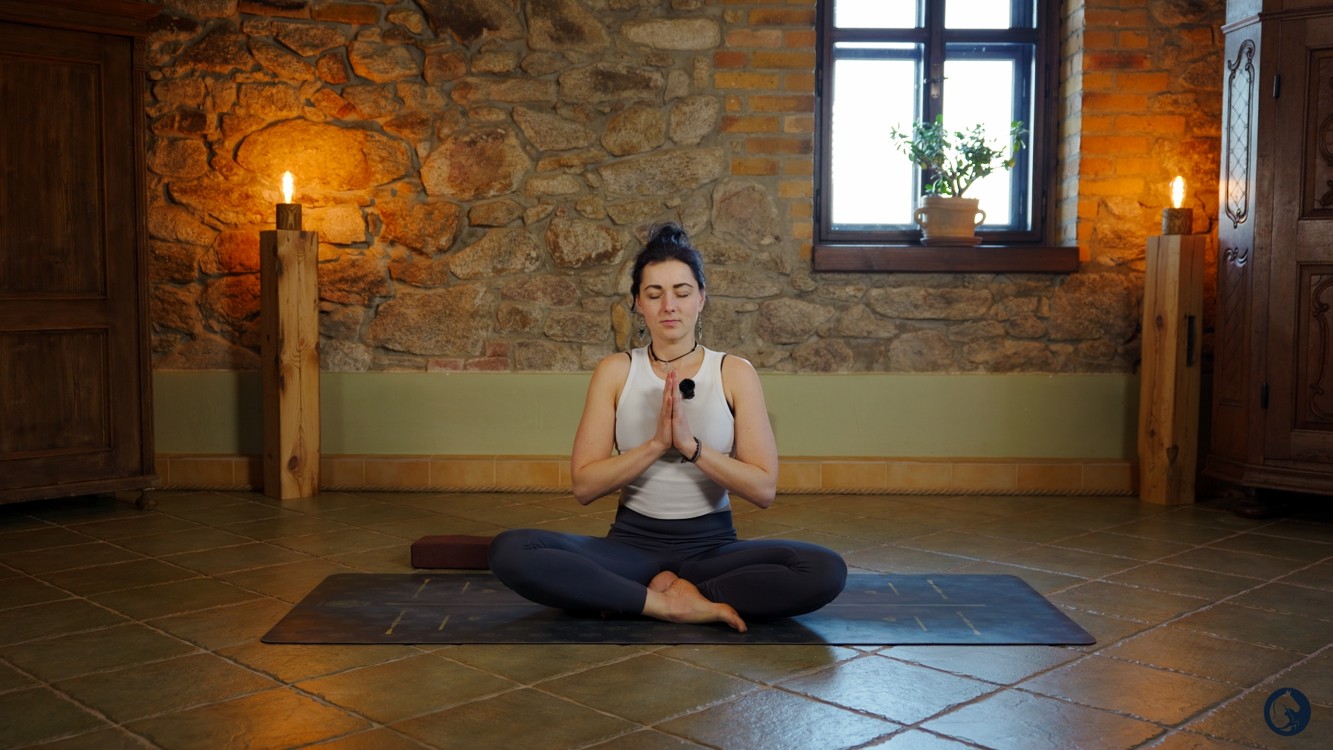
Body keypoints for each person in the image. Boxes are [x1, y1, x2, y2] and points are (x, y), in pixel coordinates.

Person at [488, 223, 847, 632]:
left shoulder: (734, 372)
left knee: (824, 569)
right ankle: (665, 604)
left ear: (702, 298)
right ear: (638, 303)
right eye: (654, 294)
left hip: (712, 549)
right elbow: (585, 486)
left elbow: (763, 490)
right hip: (630, 548)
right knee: (511, 550)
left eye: (682, 292)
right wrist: (657, 444)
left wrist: (691, 447)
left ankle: (649, 596)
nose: (669, 306)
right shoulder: (615, 371)